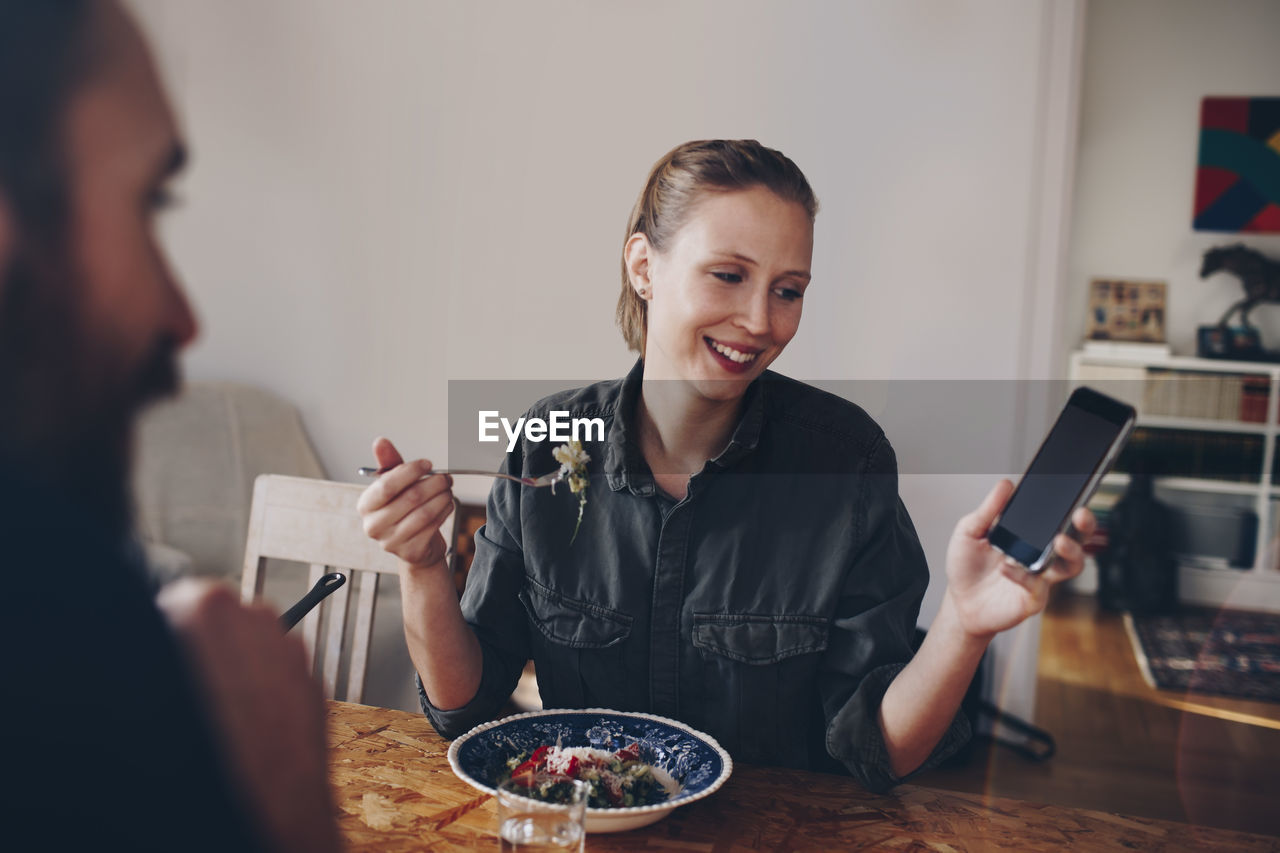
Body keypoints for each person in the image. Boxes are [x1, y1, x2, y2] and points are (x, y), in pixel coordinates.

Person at [359, 139, 1093, 791]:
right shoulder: (551, 441)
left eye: (788, 290)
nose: (761, 322)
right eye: (728, 275)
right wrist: (422, 563)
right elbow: (467, 707)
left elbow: (878, 751)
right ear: (644, 266)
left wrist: (965, 625)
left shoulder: (848, 462)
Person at [0, 1, 340, 850]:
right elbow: (466, 702)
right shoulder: (79, 642)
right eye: (149, 199)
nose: (184, 317)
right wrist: (288, 807)